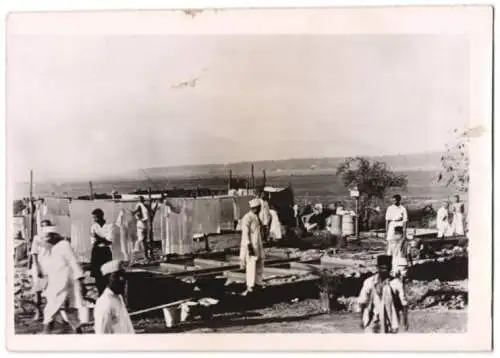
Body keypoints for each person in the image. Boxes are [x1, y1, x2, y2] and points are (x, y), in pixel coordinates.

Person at [41, 226, 86, 334]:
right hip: (57, 285)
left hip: (65, 285)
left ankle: (45, 335)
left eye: (48, 237)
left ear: (55, 236)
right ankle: (79, 333)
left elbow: (73, 262)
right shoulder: (53, 248)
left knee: (50, 311)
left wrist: (81, 281)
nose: (46, 240)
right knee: (68, 312)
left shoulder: (64, 245)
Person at [358, 254, 409, 333]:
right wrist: (361, 320)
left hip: (390, 320)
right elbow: (362, 301)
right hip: (372, 319)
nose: (384, 271)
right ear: (377, 268)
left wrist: (405, 321)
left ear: (390, 268)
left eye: (387, 268)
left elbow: (404, 304)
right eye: (382, 268)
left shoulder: (396, 283)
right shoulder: (369, 282)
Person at [93, 260, 135, 334]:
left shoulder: (118, 297)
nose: (122, 279)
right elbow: (102, 335)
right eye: (117, 276)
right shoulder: (105, 302)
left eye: (123, 276)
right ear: (107, 279)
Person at [239, 198, 265, 296]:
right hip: (251, 245)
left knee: (259, 264)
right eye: (258, 208)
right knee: (251, 265)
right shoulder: (247, 217)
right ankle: (250, 286)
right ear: (255, 208)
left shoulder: (256, 217)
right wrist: (248, 246)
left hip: (258, 244)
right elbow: (245, 233)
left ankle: (258, 283)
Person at [29, 219, 52, 321]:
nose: (45, 228)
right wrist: (37, 267)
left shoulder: (53, 238)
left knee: (50, 292)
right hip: (39, 266)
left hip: (50, 267)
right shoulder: (37, 238)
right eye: (43, 226)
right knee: (37, 292)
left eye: (47, 226)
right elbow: (34, 253)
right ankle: (38, 312)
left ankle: (48, 313)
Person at [90, 208, 114, 297]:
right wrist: (102, 239)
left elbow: (109, 241)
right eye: (93, 218)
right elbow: (93, 242)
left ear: (101, 216)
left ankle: (107, 294)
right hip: (96, 251)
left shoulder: (109, 226)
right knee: (97, 275)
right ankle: (100, 294)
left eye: (95, 218)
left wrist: (98, 237)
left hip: (106, 251)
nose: (94, 220)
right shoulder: (93, 226)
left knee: (107, 273)